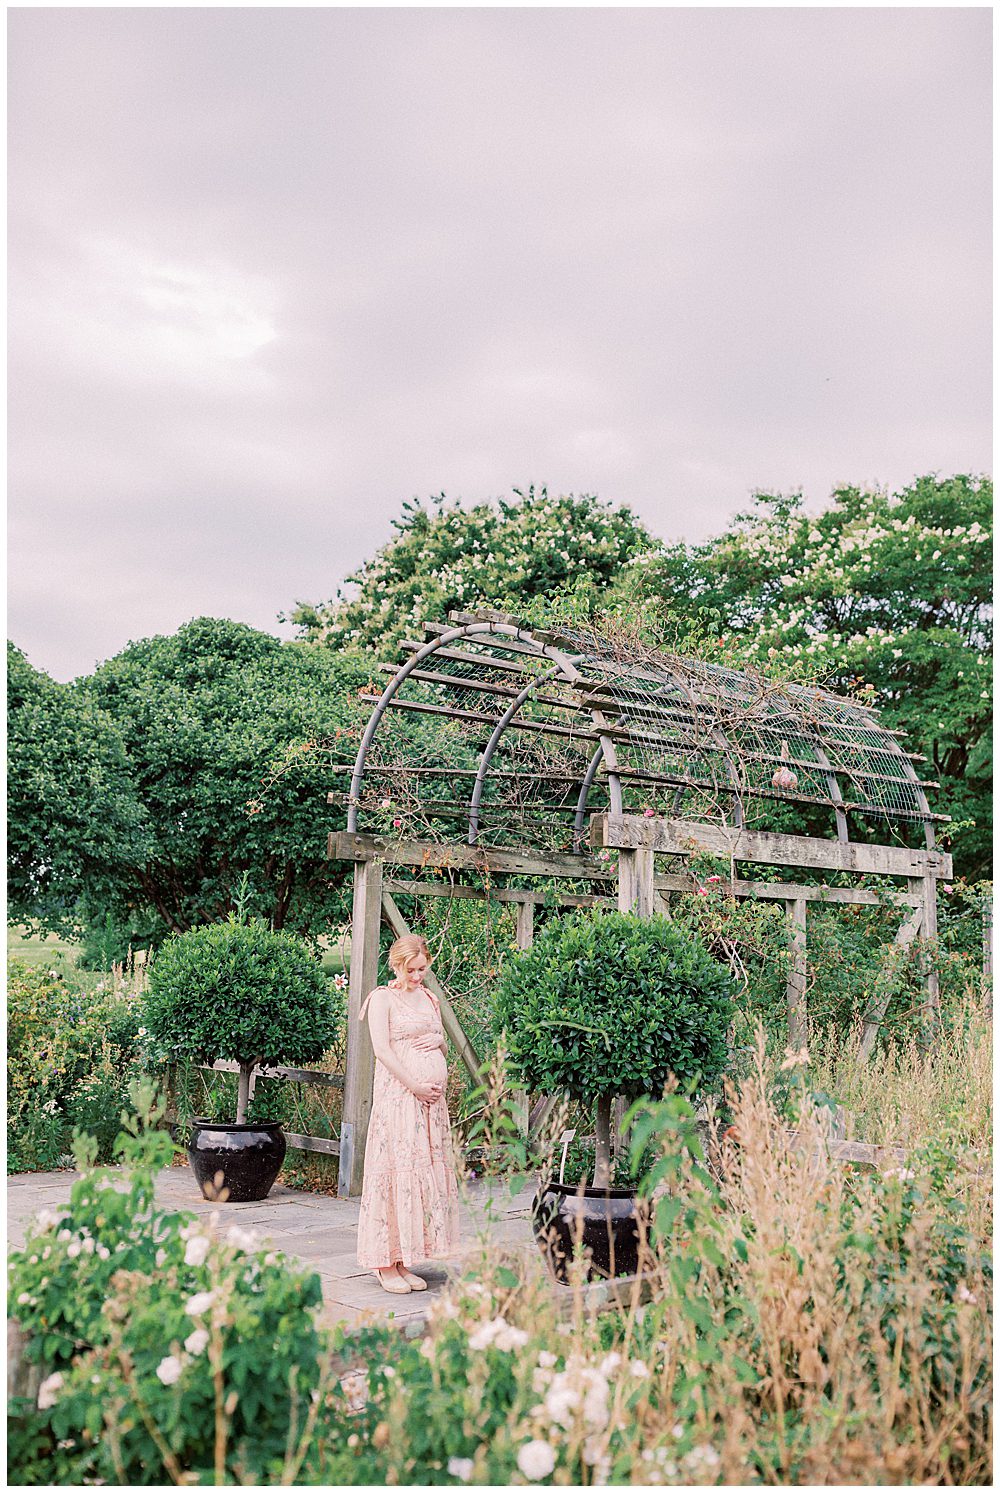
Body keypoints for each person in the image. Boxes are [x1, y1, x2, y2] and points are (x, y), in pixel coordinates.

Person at [356, 934, 460, 1292]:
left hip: (429, 1108)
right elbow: (383, 1051)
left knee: (416, 1176)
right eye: (411, 969)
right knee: (393, 1173)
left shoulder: (429, 998)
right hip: (399, 1101)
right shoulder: (383, 999)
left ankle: (401, 1260)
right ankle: (383, 1264)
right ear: (396, 964)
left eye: (422, 969)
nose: (417, 976)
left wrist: (439, 1043)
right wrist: (414, 1086)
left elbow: (442, 1041)